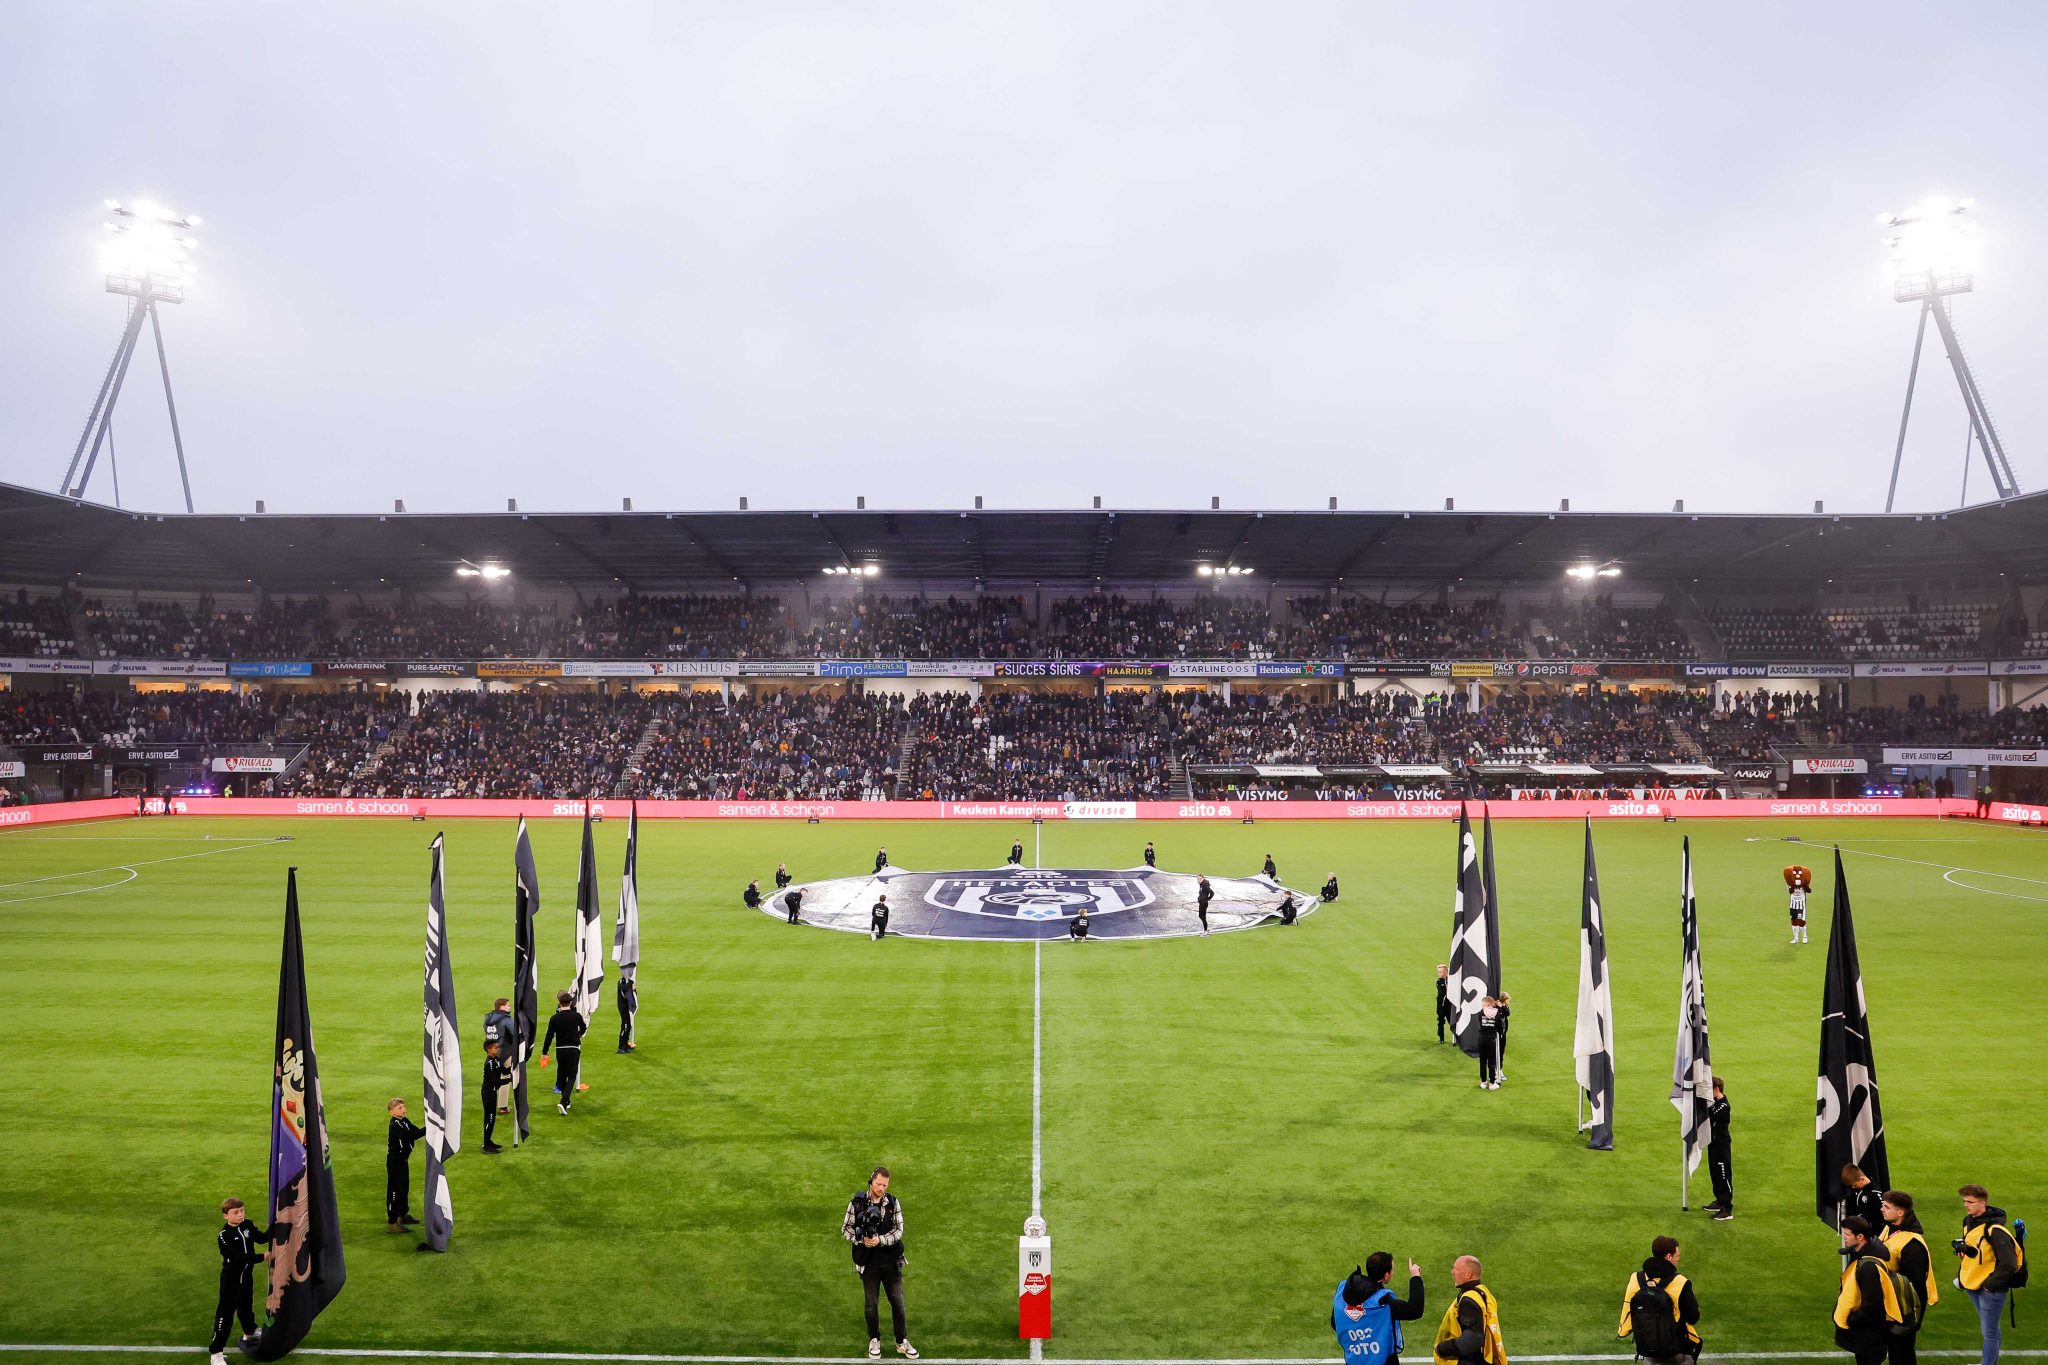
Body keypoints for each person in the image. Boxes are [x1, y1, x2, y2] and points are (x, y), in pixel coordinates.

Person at [841, 1166, 917, 1360]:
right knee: (871, 1305)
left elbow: (899, 1230)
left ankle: (901, 1341)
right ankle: (874, 1339)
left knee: (898, 1303)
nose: (881, 1188)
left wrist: (879, 1240)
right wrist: (861, 1240)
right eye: (878, 1184)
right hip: (869, 1265)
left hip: (891, 1263)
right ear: (871, 1181)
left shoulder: (893, 1203)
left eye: (885, 1185)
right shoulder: (856, 1204)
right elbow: (845, 1229)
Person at [1954, 1183, 2025, 1365]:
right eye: (1964, 1201)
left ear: (1983, 1203)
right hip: (1973, 1282)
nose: (1966, 1205)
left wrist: (1989, 1285)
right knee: (1990, 1329)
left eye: (1970, 1202)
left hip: (1989, 1289)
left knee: (1990, 1334)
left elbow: (2009, 1264)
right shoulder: (1968, 1222)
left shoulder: (1995, 1231)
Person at [209, 1197, 274, 1364]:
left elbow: (261, 1238)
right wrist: (262, 1257)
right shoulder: (224, 1236)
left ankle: (250, 1332)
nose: (240, 1214)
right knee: (225, 1315)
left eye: (242, 1210)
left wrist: (276, 1226)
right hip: (231, 1281)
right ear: (226, 1216)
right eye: (236, 1212)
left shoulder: (247, 1225)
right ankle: (216, 1352)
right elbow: (238, 1258)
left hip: (246, 1277)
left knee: (246, 1307)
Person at [1618, 1235, 1701, 1365]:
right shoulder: (1680, 1282)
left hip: (1647, 1349)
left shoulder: (1636, 1278)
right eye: (1676, 1257)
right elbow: (1693, 1317)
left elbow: (1628, 1310)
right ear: (1668, 1256)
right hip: (1676, 1350)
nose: (1677, 1260)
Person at [1333, 1252, 1425, 1365]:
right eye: (1392, 1270)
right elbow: (1415, 1310)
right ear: (1386, 1276)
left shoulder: (1343, 1291)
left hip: (1354, 1360)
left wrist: (1359, 1333)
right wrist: (1415, 1277)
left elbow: (1335, 1322)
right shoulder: (1384, 1302)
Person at [1835, 1216, 1904, 1365]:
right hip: (1868, 1332)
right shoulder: (1865, 1255)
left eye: (1847, 1234)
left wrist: (1852, 1320)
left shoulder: (1868, 1267)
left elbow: (1872, 1303)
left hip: (1870, 1333)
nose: (1844, 1238)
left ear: (1860, 1237)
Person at [1881, 1191, 1938, 1365]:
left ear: (1900, 1213)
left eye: (1887, 1207)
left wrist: (1913, 1321)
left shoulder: (1912, 1245)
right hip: (1892, 1304)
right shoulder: (1889, 1228)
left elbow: (1917, 1285)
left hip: (1905, 1308)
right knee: (1895, 1351)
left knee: (1903, 1354)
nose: (1882, 1209)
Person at [1432, 1255, 1506, 1365]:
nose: (1452, 1272)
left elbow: (1473, 1338)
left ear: (1468, 1274)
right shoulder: (1483, 1292)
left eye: (1456, 1269)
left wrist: (1442, 1348)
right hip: (1484, 1357)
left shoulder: (1469, 1300)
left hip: (1471, 1360)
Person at [540, 990, 586, 1115]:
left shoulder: (554, 1018)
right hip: (573, 1048)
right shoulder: (576, 1016)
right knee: (572, 1075)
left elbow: (549, 1036)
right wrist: (578, 1035)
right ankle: (564, 1100)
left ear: (559, 1003)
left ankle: (567, 1101)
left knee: (562, 1073)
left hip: (560, 1049)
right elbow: (583, 1027)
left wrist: (545, 1051)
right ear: (570, 1002)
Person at [386, 1098, 425, 1230]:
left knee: (404, 1188)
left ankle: (402, 1215)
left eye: (403, 1107)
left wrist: (427, 1128)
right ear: (391, 1112)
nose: (403, 1109)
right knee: (394, 1191)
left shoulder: (404, 1121)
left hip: (403, 1160)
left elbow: (416, 1130)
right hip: (395, 1162)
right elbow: (411, 1136)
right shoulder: (395, 1125)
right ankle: (392, 1222)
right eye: (399, 1108)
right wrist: (431, 1127)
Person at [1705, 1078, 1734, 1221]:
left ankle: (1727, 1208)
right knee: (1715, 1174)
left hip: (1722, 1146)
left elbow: (1710, 1116)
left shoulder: (1723, 1106)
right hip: (1713, 1144)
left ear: (1717, 1089)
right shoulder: (1715, 1104)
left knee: (1723, 1176)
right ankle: (1719, 1201)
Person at [480, 1042, 510, 1153]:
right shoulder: (489, 1063)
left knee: (492, 1119)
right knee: (489, 1118)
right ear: (489, 1049)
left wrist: (514, 1068)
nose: (498, 1049)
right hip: (488, 1094)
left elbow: (504, 1071)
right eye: (495, 1047)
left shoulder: (496, 1060)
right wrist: (509, 1080)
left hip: (492, 1093)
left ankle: (488, 1141)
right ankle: (486, 1145)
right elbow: (496, 1083)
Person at [1842, 1165, 1885, 1231]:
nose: (1853, 1187)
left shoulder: (1874, 1193)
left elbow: (1880, 1214)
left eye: (1854, 1185)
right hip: (1860, 1226)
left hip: (1872, 1230)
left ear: (1862, 1179)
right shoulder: (1860, 1187)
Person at [1476, 998, 1502, 1090]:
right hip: (1491, 1039)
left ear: (1486, 1004)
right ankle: (1492, 1083)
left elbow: (1480, 1023)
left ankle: (1483, 1082)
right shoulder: (1497, 1014)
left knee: (1482, 1062)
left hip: (1481, 1039)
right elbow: (1500, 1028)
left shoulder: (1480, 1013)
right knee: (1492, 1062)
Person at [1786, 865, 1812, 945]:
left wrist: (1805, 885)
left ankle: (1804, 936)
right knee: (1794, 921)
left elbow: (1809, 891)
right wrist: (1793, 886)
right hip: (1793, 905)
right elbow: (1790, 892)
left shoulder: (1804, 883)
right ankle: (1796, 938)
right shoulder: (1790, 883)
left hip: (1801, 905)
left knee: (1801, 921)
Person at [615, 973, 638, 1053]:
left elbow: (632, 995)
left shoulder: (628, 982)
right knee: (625, 1026)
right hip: (623, 1007)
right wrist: (631, 983)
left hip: (627, 1006)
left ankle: (625, 1044)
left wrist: (634, 989)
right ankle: (621, 1046)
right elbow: (623, 987)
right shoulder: (621, 982)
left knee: (628, 1026)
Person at [1494, 992, 1512, 1081]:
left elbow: (1508, 1013)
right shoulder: (1497, 1007)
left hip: (1503, 1034)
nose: (1510, 1000)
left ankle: (1499, 1069)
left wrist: (1502, 1006)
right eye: (1508, 999)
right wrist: (1500, 1007)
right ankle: (1494, 1071)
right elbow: (1499, 1016)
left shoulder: (1504, 1006)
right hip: (1497, 1034)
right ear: (1505, 999)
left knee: (1501, 1052)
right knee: (1496, 1052)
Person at [1436, 965, 1453, 1044]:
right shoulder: (1439, 982)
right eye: (1438, 972)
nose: (1439, 974)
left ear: (1446, 972)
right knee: (1440, 1022)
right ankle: (1441, 1038)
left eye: (1440, 972)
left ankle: (1457, 1038)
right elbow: (1443, 992)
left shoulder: (1451, 981)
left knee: (1452, 1022)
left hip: (1449, 1006)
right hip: (1441, 1006)